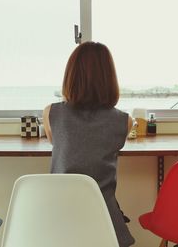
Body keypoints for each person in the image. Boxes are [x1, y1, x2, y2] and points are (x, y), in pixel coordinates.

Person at [43, 41, 135, 247]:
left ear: (71, 76)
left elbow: (56, 142)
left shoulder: (52, 113)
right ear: (110, 78)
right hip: (104, 220)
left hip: (59, 218)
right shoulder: (124, 121)